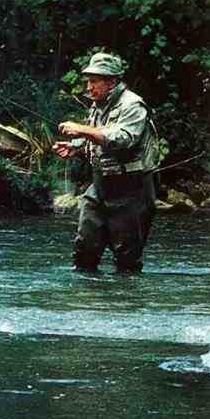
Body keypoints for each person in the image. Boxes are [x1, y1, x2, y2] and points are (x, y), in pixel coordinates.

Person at [52, 53, 156, 273]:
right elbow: (96, 136)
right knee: (85, 250)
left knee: (127, 260)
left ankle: (124, 304)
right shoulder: (98, 105)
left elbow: (123, 138)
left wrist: (81, 129)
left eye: (94, 81)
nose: (89, 87)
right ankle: (88, 303)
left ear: (112, 82)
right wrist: (76, 146)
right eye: (88, 81)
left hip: (131, 188)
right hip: (100, 185)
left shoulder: (133, 105)